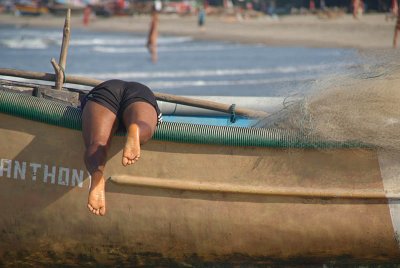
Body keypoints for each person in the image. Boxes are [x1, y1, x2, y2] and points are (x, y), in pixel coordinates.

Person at [80, 79, 162, 216]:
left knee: (97, 142)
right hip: (141, 93)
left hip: (106, 90)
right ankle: (136, 129)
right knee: (144, 124)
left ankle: (97, 173)